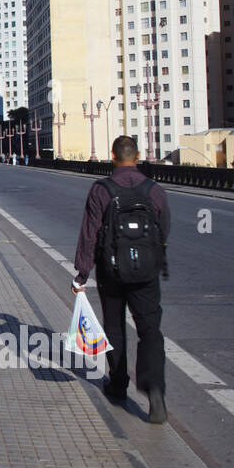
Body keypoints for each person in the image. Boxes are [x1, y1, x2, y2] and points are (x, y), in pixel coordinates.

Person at [72, 135, 171, 423]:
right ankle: (155, 392)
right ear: (137, 156)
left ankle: (117, 383)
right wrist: (150, 257)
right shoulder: (154, 190)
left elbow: (90, 233)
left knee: (114, 326)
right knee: (150, 330)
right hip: (146, 274)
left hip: (111, 270)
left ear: (112, 156)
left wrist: (82, 273)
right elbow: (163, 230)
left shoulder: (101, 190)